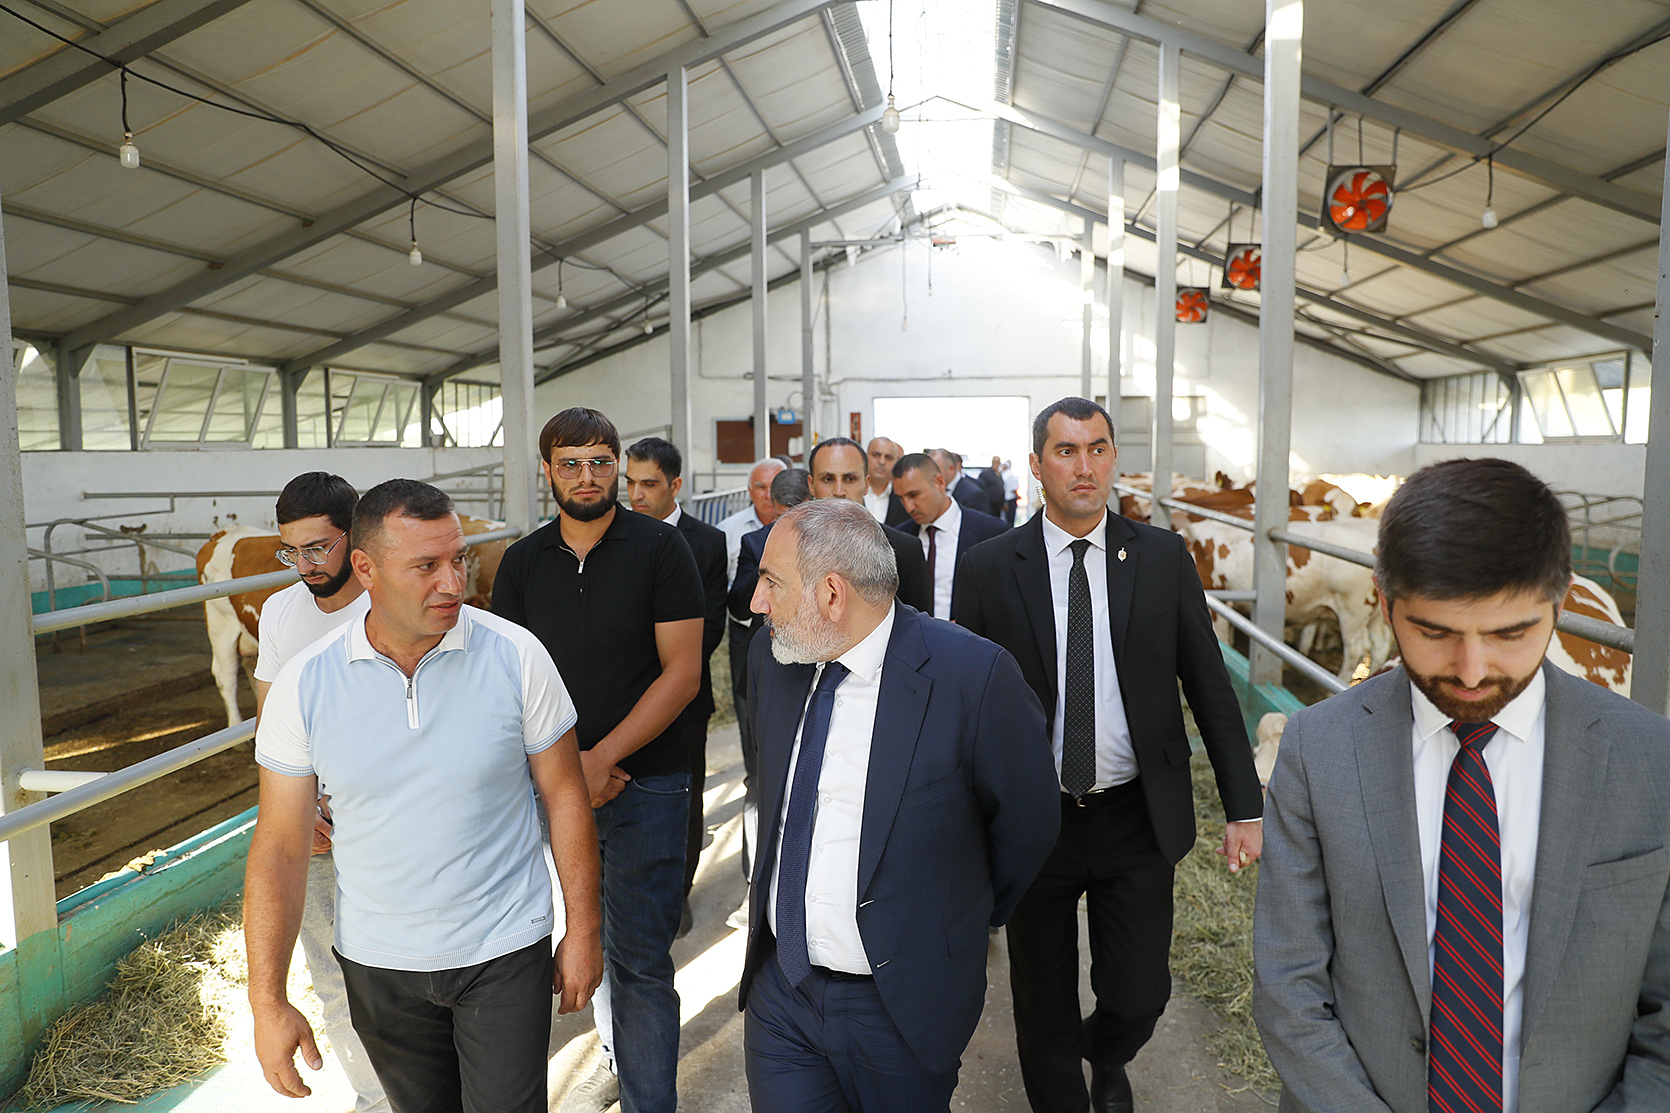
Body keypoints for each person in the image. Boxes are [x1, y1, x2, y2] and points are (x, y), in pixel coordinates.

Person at [1253, 457, 1670, 1113]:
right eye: (1435, 632)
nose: (1472, 671)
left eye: (1511, 633)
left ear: (1559, 603)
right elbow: (1288, 982)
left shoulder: (1652, 761)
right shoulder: (1317, 748)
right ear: (1384, 602)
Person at [246, 480, 602, 1113]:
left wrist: (584, 929)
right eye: (426, 566)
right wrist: (267, 1000)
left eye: (457, 559)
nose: (452, 582)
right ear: (366, 569)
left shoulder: (516, 655)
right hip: (378, 961)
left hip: (504, 948)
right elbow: (279, 847)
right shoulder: (305, 684)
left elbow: (566, 796)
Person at [954, 396, 1263, 1113]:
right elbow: (966, 704)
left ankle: (1108, 1050)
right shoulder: (990, 567)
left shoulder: (1160, 556)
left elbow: (1209, 686)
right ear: (1037, 466)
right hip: (1035, 816)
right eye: (1065, 450)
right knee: (1042, 998)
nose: (1084, 465)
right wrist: (962, 817)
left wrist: (1244, 807)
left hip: (1136, 812)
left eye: (1097, 448)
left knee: (1139, 993)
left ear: (1114, 458)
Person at [738, 498, 1061, 1112]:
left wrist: (950, 920)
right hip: (782, 998)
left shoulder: (973, 676)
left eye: (771, 582)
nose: (757, 603)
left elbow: (1028, 826)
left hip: (900, 1008)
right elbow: (772, 787)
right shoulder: (773, 658)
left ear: (832, 594)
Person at [493, 408, 705, 1113]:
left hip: (649, 782)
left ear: (617, 467)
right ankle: (593, 1067)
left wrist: (601, 757)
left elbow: (683, 673)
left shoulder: (661, 549)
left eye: (600, 462)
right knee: (538, 953)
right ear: (547, 470)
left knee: (638, 961)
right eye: (570, 463)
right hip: (547, 789)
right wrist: (561, 772)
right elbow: (506, 683)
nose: (586, 476)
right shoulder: (521, 562)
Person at [249, 472, 384, 1113]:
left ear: (354, 537)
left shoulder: (389, 605)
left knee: (395, 973)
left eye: (318, 548)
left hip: (384, 822)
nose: (305, 565)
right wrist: (298, 813)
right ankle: (374, 1097)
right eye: (291, 551)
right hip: (314, 827)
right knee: (331, 976)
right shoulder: (280, 612)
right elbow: (270, 721)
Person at [625, 436, 728, 937]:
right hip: (621, 699)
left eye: (648, 484)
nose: (636, 494)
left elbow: (711, 626)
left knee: (684, 795)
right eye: (630, 483)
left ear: (675, 485)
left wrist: (665, 677)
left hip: (684, 698)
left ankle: (678, 893)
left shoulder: (706, 542)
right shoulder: (614, 536)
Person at [719, 457, 788, 845]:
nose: (767, 495)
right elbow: (732, 600)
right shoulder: (736, 533)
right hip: (751, 642)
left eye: (774, 486)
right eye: (761, 487)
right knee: (757, 754)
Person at [803, 437, 931, 613]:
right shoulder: (787, 545)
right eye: (828, 479)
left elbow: (918, 623)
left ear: (866, 484)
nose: (839, 491)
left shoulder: (904, 550)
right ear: (811, 484)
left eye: (850, 479)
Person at [889, 452, 1007, 620]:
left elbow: (1002, 599)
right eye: (901, 498)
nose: (908, 507)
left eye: (914, 495)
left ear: (939, 482)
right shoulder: (899, 539)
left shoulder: (990, 532)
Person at [930, 448, 995, 517]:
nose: (930, 474)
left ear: (951, 469)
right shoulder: (932, 490)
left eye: (935, 470)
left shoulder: (973, 495)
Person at [862, 437, 909, 527]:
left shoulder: (905, 497)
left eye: (888, 457)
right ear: (866, 457)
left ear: (896, 462)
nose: (882, 462)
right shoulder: (852, 491)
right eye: (876, 455)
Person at [999, 457, 1021, 526]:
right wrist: (1018, 496)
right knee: (1010, 519)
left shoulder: (1005, 475)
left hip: (1008, 499)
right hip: (1010, 499)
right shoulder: (1009, 475)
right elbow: (1013, 489)